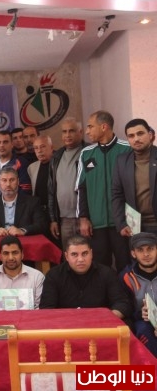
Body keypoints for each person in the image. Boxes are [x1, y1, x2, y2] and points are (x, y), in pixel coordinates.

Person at [76, 110, 132, 272]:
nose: (87, 131)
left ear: (104, 127)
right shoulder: (86, 153)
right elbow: (81, 188)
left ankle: (125, 290)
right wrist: (83, 218)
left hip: (123, 223)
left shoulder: (127, 149)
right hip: (96, 223)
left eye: (90, 126)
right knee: (100, 268)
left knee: (126, 265)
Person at [39, 235, 131, 320]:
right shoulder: (54, 275)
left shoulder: (107, 273)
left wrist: (104, 318)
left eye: (85, 253)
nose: (80, 259)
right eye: (74, 254)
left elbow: (122, 304)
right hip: (65, 326)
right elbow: (46, 309)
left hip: (100, 325)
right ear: (66, 256)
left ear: (91, 253)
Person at [113, 118, 157, 235]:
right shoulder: (121, 161)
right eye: (131, 136)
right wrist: (121, 224)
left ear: (150, 135)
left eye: (140, 133)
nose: (136, 139)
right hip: (135, 226)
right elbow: (117, 194)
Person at [48, 118, 86, 247]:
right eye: (64, 132)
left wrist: (87, 217)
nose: (67, 135)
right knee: (69, 254)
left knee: (90, 254)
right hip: (64, 219)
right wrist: (53, 219)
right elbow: (51, 191)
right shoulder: (56, 157)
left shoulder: (89, 152)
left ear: (80, 132)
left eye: (72, 131)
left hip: (86, 218)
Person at [120, 232, 157, 357]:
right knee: (144, 331)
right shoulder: (127, 276)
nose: (146, 254)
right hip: (142, 321)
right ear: (133, 253)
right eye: (140, 250)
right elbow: (125, 307)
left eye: (150, 249)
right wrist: (139, 313)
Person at [0, 167, 46, 237]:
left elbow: (41, 225)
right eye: (4, 180)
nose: (8, 184)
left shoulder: (33, 202)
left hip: (23, 241)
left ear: (18, 182)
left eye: (12, 180)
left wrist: (22, 231)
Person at [0, 236, 44, 309]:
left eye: (15, 253)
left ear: (22, 254)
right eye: (6, 253)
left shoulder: (37, 277)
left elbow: (39, 308)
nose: (11, 258)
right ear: (0, 256)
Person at [0, 131, 31, 197]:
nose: (1, 145)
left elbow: (25, 190)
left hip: (15, 203)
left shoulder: (21, 163)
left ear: (12, 144)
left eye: (5, 142)